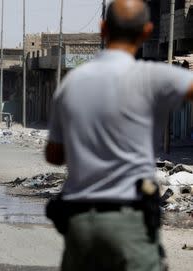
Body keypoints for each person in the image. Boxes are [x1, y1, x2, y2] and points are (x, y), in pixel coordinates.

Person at [45, 0, 193, 270]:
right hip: (129, 221)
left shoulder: (72, 83)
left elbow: (54, 155)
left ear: (103, 29)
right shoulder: (153, 77)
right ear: (147, 32)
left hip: (80, 225)